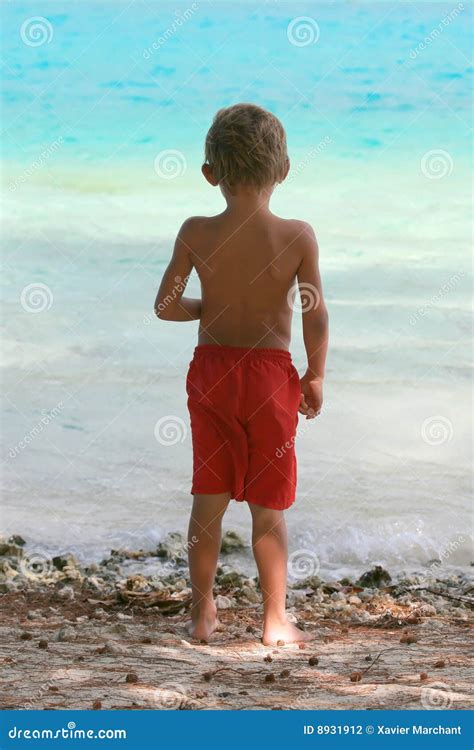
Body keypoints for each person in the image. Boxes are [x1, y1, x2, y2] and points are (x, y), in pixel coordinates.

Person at [154, 103, 329, 645]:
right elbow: (313, 310)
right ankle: (275, 619)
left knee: (208, 500)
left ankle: (202, 612)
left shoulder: (195, 232)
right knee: (268, 507)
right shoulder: (297, 235)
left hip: (211, 375)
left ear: (210, 174)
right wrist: (315, 375)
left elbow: (165, 304)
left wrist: (208, 308)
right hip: (271, 379)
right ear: (285, 169)